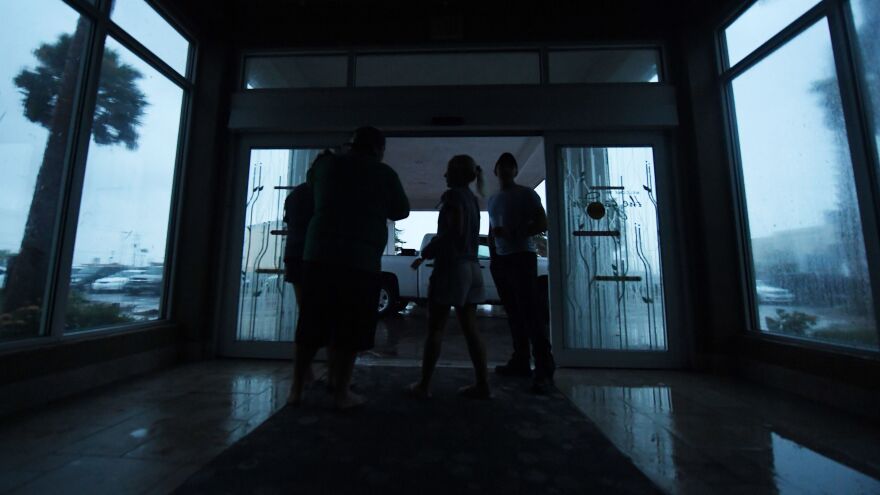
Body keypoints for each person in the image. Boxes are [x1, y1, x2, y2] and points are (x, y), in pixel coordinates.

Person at [290, 127, 410, 409]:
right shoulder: (384, 174)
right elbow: (401, 210)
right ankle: (340, 391)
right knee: (349, 329)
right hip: (361, 260)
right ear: (378, 149)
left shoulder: (327, 165)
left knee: (311, 324)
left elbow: (311, 183)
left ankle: (296, 389)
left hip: (318, 255)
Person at [408, 155, 490, 399]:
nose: (444, 176)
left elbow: (453, 231)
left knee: (435, 329)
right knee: (471, 330)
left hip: (452, 269)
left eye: (447, 171)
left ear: (455, 174)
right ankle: (483, 385)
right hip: (473, 268)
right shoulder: (473, 199)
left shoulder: (454, 196)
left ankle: (424, 385)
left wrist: (426, 253)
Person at [488, 152, 555, 393]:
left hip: (522, 258)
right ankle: (521, 361)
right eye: (501, 166)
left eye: (509, 166)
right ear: (496, 170)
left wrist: (516, 233)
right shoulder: (493, 199)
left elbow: (542, 223)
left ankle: (544, 369)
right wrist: (495, 260)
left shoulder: (527, 194)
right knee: (515, 313)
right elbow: (492, 231)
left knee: (530, 314)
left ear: (515, 171)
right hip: (502, 261)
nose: (505, 170)